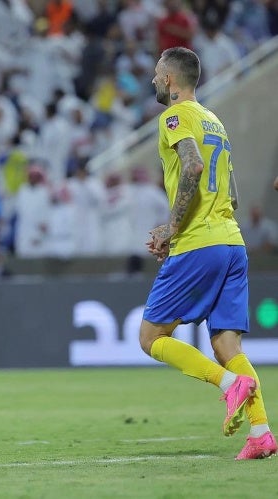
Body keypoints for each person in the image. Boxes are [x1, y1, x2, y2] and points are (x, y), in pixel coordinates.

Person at [140, 46, 276, 460]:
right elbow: (231, 196)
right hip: (232, 243)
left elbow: (193, 167)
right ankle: (262, 432)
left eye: (156, 73)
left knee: (151, 337)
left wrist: (172, 229)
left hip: (200, 242)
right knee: (227, 345)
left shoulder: (174, 117)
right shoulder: (216, 122)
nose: (151, 80)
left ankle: (227, 385)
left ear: (168, 80)